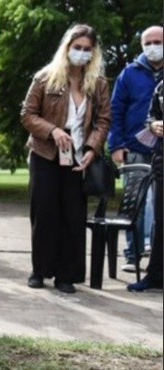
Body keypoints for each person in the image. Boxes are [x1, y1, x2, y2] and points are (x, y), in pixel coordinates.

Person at [21, 24, 111, 295]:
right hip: (46, 152)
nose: (81, 53)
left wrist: (93, 149)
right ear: (67, 48)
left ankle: (66, 274)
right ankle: (40, 270)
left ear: (93, 54)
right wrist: (53, 130)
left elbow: (104, 120)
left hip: (79, 154)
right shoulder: (45, 78)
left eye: (87, 50)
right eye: (77, 48)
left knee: (73, 215)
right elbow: (27, 115)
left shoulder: (98, 84)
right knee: (45, 211)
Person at [108, 26, 163, 272]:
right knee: (135, 203)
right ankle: (133, 255)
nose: (153, 46)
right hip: (134, 147)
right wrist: (116, 145)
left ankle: (155, 258)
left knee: (158, 203)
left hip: (161, 149)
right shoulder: (129, 73)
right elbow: (115, 112)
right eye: (148, 42)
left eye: (158, 41)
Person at [129, 80, 164, 292]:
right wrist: (153, 125)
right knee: (160, 222)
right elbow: (151, 116)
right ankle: (156, 275)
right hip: (162, 163)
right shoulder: (161, 87)